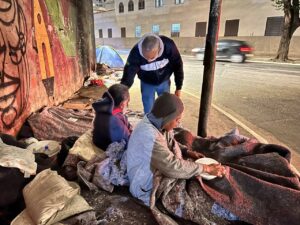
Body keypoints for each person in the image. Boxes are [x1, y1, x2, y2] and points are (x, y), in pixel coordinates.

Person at [126, 93, 226, 205]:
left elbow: (169, 140)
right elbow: (172, 166)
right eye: (177, 120)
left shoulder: (156, 120)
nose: (178, 123)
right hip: (143, 185)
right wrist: (206, 168)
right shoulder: (149, 136)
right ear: (167, 118)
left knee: (187, 156)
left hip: (155, 165)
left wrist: (186, 151)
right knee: (193, 196)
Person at [121, 33, 184, 113]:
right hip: (146, 83)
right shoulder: (135, 53)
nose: (148, 61)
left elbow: (178, 65)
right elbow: (128, 74)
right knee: (148, 110)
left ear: (159, 49)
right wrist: (123, 93)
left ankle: (163, 125)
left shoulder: (168, 46)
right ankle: (150, 124)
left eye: (151, 58)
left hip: (164, 82)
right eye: (145, 57)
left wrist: (179, 87)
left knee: (165, 107)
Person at [92, 84, 132, 150]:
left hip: (98, 142)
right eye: (127, 102)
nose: (127, 105)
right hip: (108, 149)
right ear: (122, 104)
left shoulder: (101, 108)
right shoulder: (116, 120)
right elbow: (128, 141)